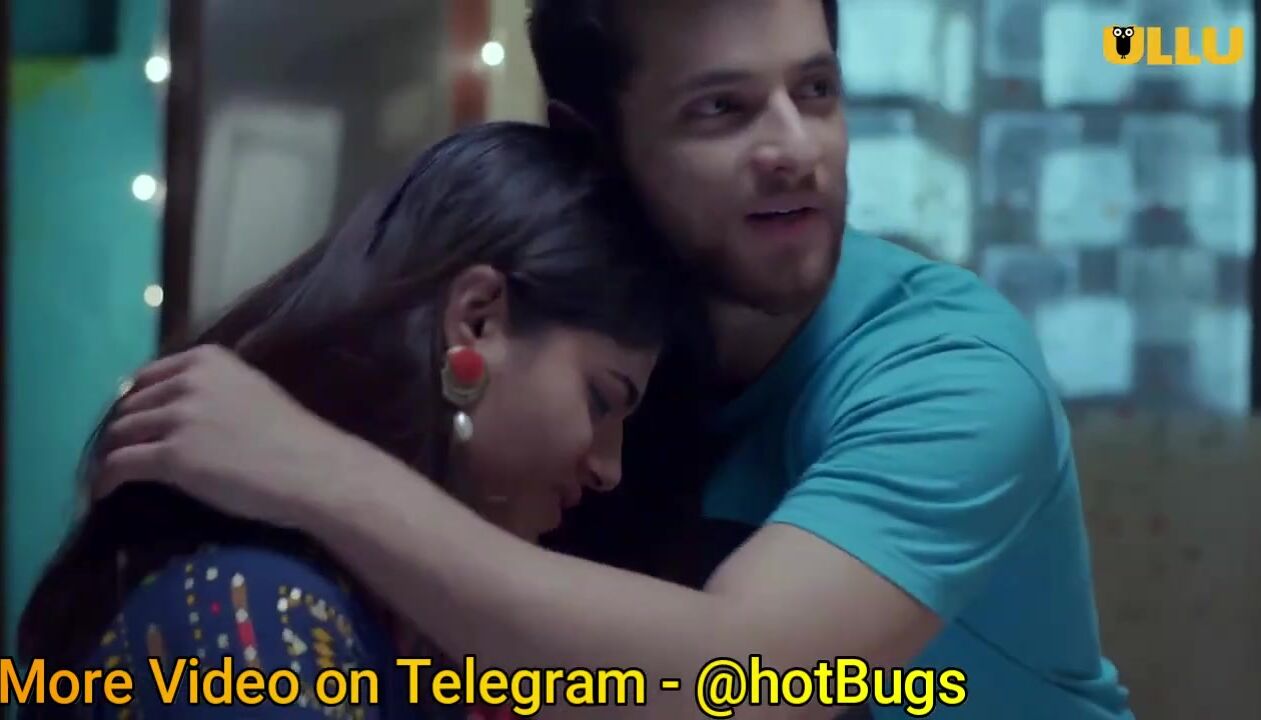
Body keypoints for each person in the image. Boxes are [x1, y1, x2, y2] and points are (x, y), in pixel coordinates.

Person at [94, 0, 1135, 718]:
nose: (794, 148)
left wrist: (313, 468)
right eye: (721, 108)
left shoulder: (944, 367)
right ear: (592, 139)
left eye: (816, 91)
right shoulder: (589, 374)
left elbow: (750, 683)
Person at [18, 121, 683, 718]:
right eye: (601, 400)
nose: (609, 468)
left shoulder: (417, 633)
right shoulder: (251, 616)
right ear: (477, 320)